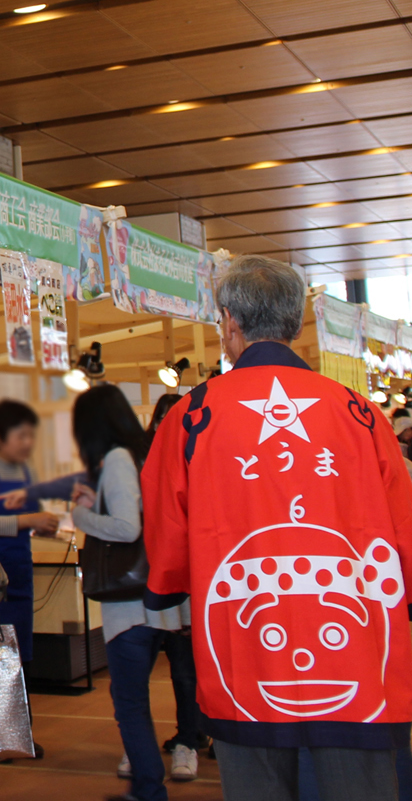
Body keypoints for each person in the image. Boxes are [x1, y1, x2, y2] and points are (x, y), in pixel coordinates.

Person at [142, 256, 412, 801]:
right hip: (358, 651)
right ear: (294, 322)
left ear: (230, 322)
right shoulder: (360, 413)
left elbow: (166, 536)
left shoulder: (193, 416)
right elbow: (403, 527)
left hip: (244, 647)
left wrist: (168, 586)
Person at [70, 383, 189, 801]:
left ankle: (148, 790)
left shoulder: (118, 459)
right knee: (133, 700)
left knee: (130, 704)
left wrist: (80, 515)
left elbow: (126, 528)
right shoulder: (144, 453)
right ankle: (146, 786)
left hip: (130, 608)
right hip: (155, 602)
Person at [139, 392, 205, 779]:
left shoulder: (195, 458)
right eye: (162, 416)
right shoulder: (143, 461)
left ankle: (190, 738)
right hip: (153, 581)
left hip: (187, 580)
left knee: (185, 667)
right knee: (158, 667)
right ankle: (168, 740)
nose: (167, 423)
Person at [0, 399, 64, 668]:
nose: (28, 443)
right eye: (21, 436)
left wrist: (43, 525)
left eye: (31, 436)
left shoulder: (26, 471)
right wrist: (28, 520)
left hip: (21, 574)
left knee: (21, 654)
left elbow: (26, 518)